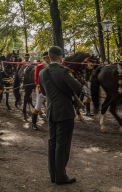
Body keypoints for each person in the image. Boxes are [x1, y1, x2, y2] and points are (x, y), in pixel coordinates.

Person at [39, 46, 82, 185]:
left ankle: (53, 175)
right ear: (59, 57)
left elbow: (44, 93)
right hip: (65, 112)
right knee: (62, 145)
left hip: (51, 112)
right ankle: (61, 176)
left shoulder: (42, 72)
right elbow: (78, 88)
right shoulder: (64, 71)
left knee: (52, 143)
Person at [31, 51, 50, 130]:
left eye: (49, 57)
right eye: (47, 58)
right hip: (41, 89)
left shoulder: (52, 66)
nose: (48, 59)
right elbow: (36, 79)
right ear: (44, 58)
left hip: (50, 89)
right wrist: (40, 89)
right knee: (38, 107)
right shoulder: (39, 66)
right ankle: (33, 123)